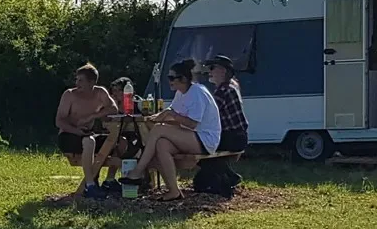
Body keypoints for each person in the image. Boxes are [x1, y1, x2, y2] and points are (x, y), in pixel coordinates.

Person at [131, 58, 220, 201]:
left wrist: (169, 116)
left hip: (205, 139)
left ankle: (138, 171)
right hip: (192, 136)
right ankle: (174, 190)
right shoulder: (180, 93)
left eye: (172, 78)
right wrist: (155, 117)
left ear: (183, 79)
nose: (170, 81)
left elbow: (191, 123)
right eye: (169, 77)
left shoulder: (197, 93)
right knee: (161, 144)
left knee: (159, 130)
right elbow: (171, 113)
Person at [54, 63, 118, 198]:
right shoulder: (69, 95)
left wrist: (93, 116)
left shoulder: (100, 92)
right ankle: (90, 186)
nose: (77, 83)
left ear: (92, 82)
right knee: (89, 142)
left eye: (81, 80)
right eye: (76, 80)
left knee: (120, 142)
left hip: (88, 133)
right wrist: (77, 130)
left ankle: (110, 181)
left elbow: (113, 109)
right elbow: (59, 121)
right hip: (69, 135)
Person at [205, 55, 249, 153]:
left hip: (232, 137)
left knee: (201, 144)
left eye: (212, 68)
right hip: (238, 137)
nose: (209, 71)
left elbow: (207, 114)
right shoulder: (232, 85)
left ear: (223, 71)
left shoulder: (224, 90)